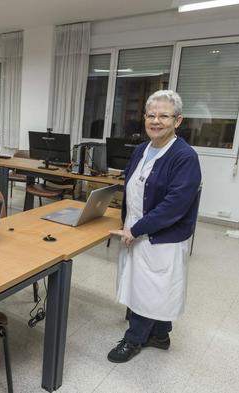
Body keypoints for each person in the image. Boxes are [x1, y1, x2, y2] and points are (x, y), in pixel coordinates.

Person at [108, 90, 202, 363]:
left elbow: (175, 205)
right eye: (151, 115)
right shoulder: (141, 149)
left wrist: (136, 230)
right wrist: (128, 225)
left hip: (162, 236)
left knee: (150, 288)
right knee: (145, 284)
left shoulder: (185, 157)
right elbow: (134, 189)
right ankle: (160, 334)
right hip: (135, 229)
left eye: (164, 115)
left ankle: (134, 339)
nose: (156, 121)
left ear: (178, 121)